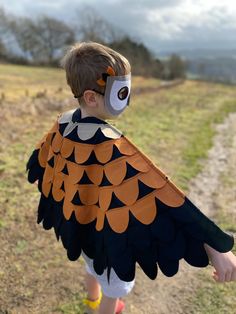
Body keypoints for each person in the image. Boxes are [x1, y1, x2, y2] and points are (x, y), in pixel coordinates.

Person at [26, 42, 236, 314]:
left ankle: (91, 300)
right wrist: (216, 247)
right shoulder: (113, 146)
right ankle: (100, 309)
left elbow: (41, 162)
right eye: (121, 92)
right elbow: (168, 200)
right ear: (91, 97)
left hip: (81, 227)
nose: (128, 100)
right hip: (109, 240)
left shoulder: (63, 123)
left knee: (91, 267)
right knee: (113, 289)